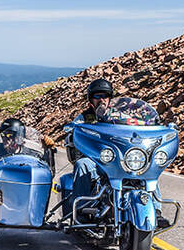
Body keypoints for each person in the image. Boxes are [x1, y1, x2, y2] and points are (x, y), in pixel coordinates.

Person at [69, 78, 170, 228]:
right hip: (97, 159)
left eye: (105, 96)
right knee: (82, 165)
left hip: (119, 158)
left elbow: (135, 127)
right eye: (97, 96)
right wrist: (71, 130)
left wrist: (149, 129)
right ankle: (81, 211)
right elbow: (73, 129)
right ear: (91, 99)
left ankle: (156, 210)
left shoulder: (120, 116)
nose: (101, 99)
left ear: (110, 98)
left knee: (148, 169)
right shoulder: (84, 118)